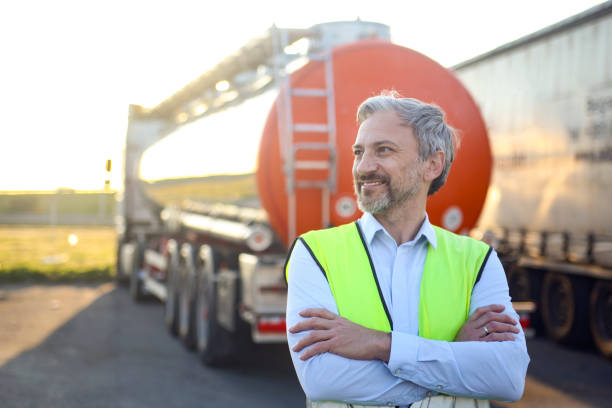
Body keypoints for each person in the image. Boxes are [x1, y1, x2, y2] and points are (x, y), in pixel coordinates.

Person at [284, 92, 530, 408]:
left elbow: (507, 379)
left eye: (383, 150)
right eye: (359, 152)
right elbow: (322, 379)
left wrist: (380, 345)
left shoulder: (477, 260)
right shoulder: (314, 253)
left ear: (432, 164)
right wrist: (452, 356)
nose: (364, 167)